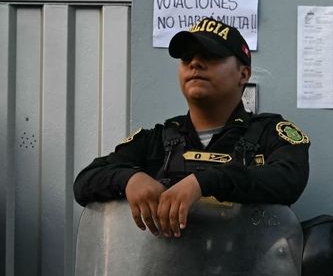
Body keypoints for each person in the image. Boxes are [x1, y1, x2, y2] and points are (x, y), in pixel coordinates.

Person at [73, 17, 310, 234]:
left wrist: (205, 182)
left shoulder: (270, 133)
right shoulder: (156, 140)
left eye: (211, 56)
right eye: (187, 58)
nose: (195, 63)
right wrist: (129, 179)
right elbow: (85, 181)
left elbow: (289, 179)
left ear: (243, 74)